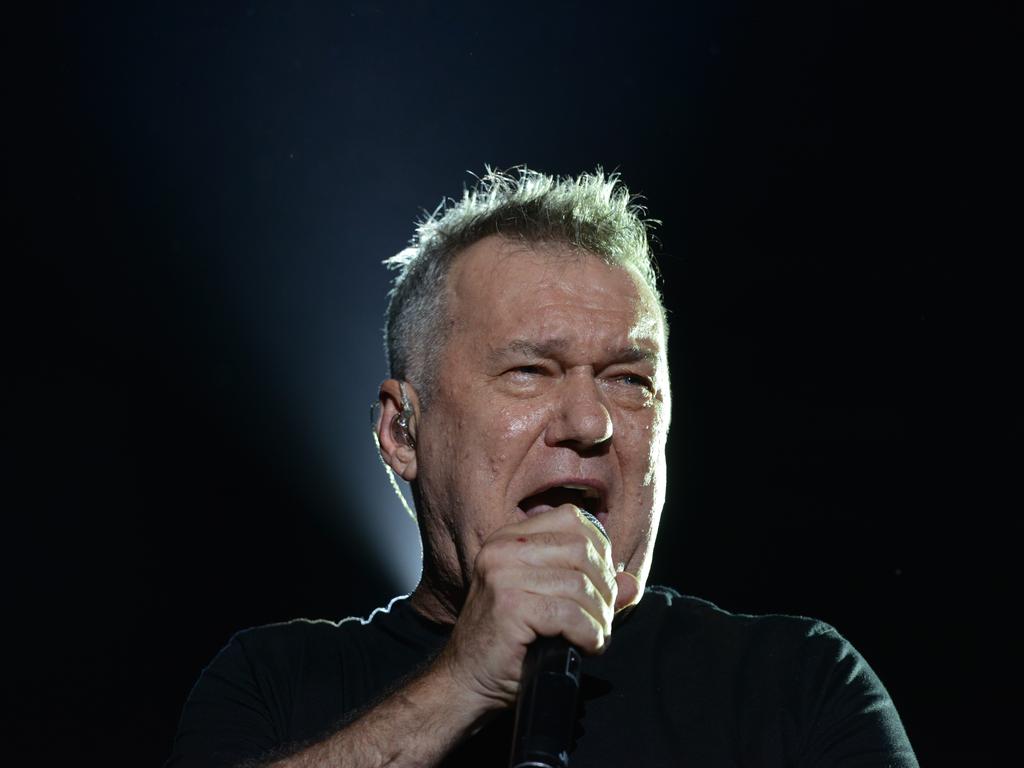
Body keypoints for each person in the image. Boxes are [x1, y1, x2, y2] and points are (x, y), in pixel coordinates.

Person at [166, 168, 918, 767]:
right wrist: (462, 685)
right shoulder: (275, 684)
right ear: (402, 431)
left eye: (630, 380)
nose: (590, 424)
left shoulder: (794, 683)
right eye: (530, 370)